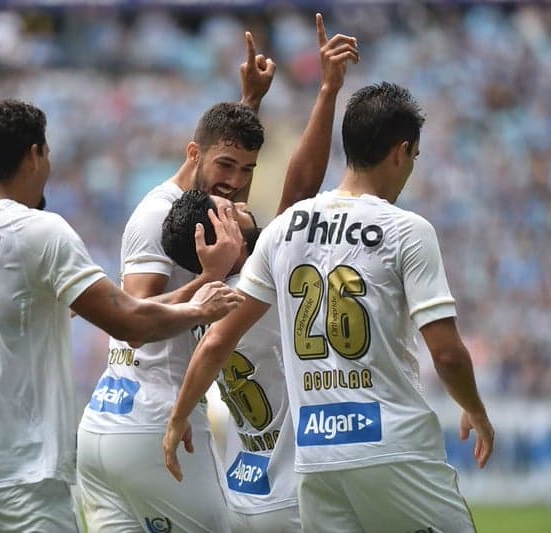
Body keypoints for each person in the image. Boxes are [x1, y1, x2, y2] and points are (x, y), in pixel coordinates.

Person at [164, 82, 496, 532]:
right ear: (401, 152)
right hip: (392, 446)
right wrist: (474, 407)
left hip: (317, 459)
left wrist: (178, 416)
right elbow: (448, 354)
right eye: (414, 158)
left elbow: (218, 339)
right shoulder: (407, 230)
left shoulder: (282, 232)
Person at [0, 99, 243, 533]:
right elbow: (130, 323)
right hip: (22, 473)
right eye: (47, 152)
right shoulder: (38, 230)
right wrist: (204, 296)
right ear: (34, 154)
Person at [160, 14, 358, 532]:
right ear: (215, 242)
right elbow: (301, 190)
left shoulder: (203, 291)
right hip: (292, 492)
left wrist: (248, 103)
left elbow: (226, 177)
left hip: (247, 481)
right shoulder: (254, 277)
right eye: (232, 214)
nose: (243, 203)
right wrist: (327, 91)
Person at [75, 32, 278, 533]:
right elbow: (133, 321)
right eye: (225, 166)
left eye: (247, 169)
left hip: (108, 426)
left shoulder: (204, 208)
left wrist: (248, 101)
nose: (234, 181)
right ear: (193, 153)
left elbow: (223, 153)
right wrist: (207, 280)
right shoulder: (157, 215)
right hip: (153, 421)